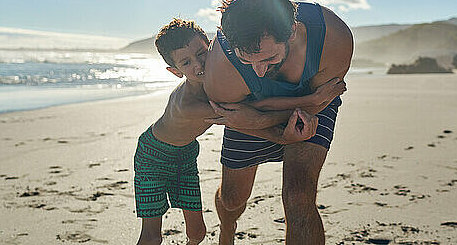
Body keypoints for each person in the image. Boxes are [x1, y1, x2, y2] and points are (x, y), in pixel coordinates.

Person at [134, 18, 329, 245]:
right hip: (152, 155)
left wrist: (300, 111)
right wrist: (311, 101)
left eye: (201, 53)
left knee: (197, 233)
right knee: (152, 236)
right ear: (175, 71)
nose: (198, 64)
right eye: (186, 62)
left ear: (210, 46)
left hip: (185, 153)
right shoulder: (188, 105)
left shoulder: (218, 83)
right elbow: (245, 115)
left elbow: (248, 115)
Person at [203, 0, 354, 245]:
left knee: (299, 195)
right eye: (245, 60)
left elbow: (321, 101)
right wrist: (279, 132)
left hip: (314, 106)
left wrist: (260, 113)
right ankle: (227, 230)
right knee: (232, 200)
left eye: (270, 58)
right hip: (254, 111)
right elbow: (232, 117)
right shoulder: (220, 69)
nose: (259, 70)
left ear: (292, 32)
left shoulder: (334, 38)